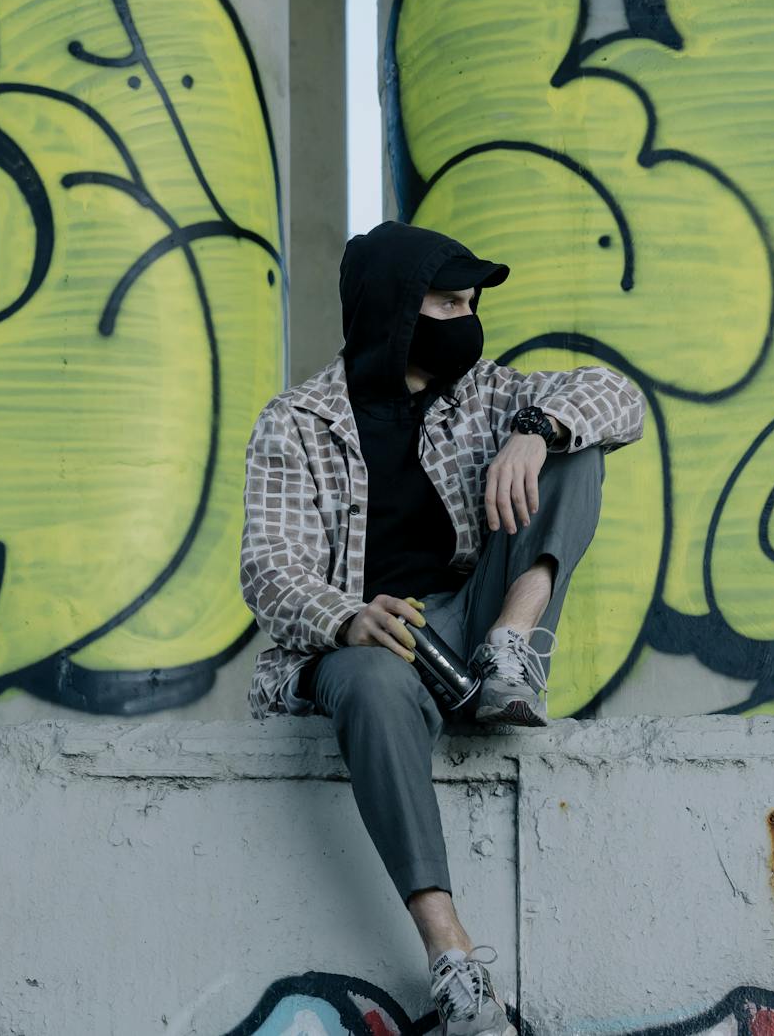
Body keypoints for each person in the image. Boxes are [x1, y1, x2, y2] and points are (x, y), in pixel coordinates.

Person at [239, 221, 645, 1036]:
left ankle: (511, 652)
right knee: (369, 677)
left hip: (471, 618)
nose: (466, 317)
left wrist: (534, 430)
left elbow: (620, 397)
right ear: (395, 311)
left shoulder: (487, 393)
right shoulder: (298, 422)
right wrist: (346, 617)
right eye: (449, 301)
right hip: (372, 642)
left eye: (471, 302)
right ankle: (453, 959)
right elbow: (269, 567)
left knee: (574, 444)